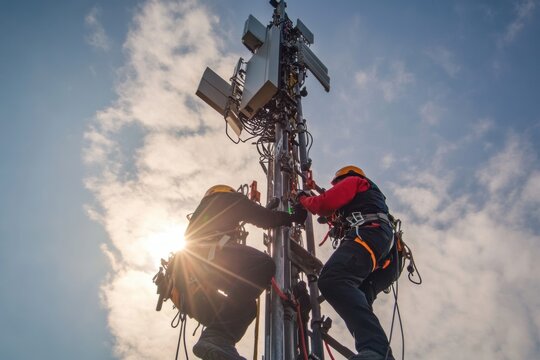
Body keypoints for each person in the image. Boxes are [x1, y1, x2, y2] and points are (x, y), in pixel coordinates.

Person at [182, 184, 307, 360]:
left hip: (194, 274)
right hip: (206, 257)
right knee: (262, 265)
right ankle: (216, 337)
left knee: (247, 308)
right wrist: (293, 217)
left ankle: (221, 343)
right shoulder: (229, 199)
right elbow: (264, 218)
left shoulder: (207, 210)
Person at [297, 166, 396, 360]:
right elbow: (335, 208)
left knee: (334, 280)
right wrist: (316, 188)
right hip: (385, 253)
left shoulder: (354, 182)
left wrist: (301, 198)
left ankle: (376, 351)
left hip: (369, 234)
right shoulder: (367, 195)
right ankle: (375, 352)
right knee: (359, 297)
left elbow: (324, 205)